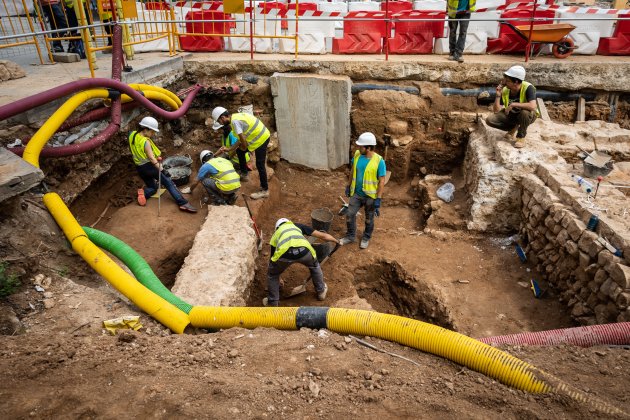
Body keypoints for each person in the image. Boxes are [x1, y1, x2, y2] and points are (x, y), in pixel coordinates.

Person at [263, 218, 340, 307]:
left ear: (277, 227)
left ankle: (272, 303)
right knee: (315, 267)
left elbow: (273, 259)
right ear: (289, 222)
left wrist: (277, 277)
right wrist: (337, 241)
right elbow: (323, 236)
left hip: (284, 255)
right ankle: (321, 291)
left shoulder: (276, 234)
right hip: (305, 251)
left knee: (272, 275)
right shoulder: (297, 226)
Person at [129, 116, 197, 213]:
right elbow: (152, 159)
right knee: (169, 182)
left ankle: (144, 193)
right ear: (145, 129)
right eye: (152, 131)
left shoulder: (132, 135)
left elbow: (136, 149)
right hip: (149, 167)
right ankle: (183, 203)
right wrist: (163, 170)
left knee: (153, 188)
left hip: (140, 168)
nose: (153, 134)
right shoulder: (146, 142)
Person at [211, 106, 271, 200]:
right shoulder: (235, 117)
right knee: (240, 151)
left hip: (261, 139)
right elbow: (239, 141)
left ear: (223, 118)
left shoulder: (235, 122)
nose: (221, 124)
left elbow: (242, 142)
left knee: (260, 164)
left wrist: (243, 148)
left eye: (220, 122)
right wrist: (229, 149)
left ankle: (265, 190)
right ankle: (244, 174)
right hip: (258, 137)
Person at [339, 132, 386, 250]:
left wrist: (378, 199)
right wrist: (348, 186)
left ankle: (366, 237)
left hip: (370, 196)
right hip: (356, 193)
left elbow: (382, 181)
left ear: (368, 148)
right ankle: (350, 236)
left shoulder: (379, 161)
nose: (358, 148)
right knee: (349, 214)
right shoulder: (357, 155)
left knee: (369, 218)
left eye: (361, 146)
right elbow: (352, 172)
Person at [485, 65, 540, 149]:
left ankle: (521, 137)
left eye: (507, 81)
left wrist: (513, 104)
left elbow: (532, 106)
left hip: (528, 115)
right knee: (490, 120)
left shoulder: (528, 87)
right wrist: (498, 95)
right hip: (512, 114)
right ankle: (514, 127)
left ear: (516, 82)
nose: (504, 83)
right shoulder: (506, 89)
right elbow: (496, 111)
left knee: (524, 113)